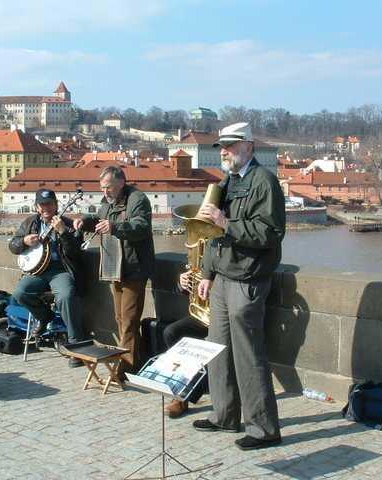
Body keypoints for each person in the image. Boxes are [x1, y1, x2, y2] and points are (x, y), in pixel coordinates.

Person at [192, 122, 286, 451]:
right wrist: (206, 274)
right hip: (222, 279)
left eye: (231, 146)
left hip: (248, 280)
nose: (225, 152)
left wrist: (226, 222)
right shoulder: (227, 182)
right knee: (216, 351)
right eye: (223, 147)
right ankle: (224, 415)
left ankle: (263, 429)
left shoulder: (265, 182)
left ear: (248, 146)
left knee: (249, 356)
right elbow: (211, 235)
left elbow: (270, 234)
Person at [74, 166, 155, 377]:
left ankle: (124, 367)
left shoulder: (137, 199)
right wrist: (84, 221)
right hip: (116, 266)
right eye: (102, 188)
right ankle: (138, 360)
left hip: (134, 267)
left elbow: (141, 226)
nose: (105, 192)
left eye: (108, 187)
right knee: (121, 318)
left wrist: (115, 227)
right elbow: (100, 220)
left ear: (121, 182)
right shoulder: (106, 202)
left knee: (129, 319)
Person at [9, 188, 86, 367]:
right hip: (38, 272)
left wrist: (63, 233)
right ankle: (45, 317)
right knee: (20, 293)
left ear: (56, 205)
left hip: (61, 270)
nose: (46, 208)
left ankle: (76, 344)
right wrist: (24, 242)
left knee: (66, 295)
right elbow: (13, 246)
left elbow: (76, 253)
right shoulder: (29, 223)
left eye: (49, 204)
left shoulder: (67, 223)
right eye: (42, 205)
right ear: (37, 207)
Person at [162, 270, 209, 418]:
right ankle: (181, 385)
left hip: (222, 313)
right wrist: (183, 283)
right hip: (202, 314)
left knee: (214, 343)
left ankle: (184, 396)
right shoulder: (200, 253)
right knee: (171, 332)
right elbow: (185, 291)